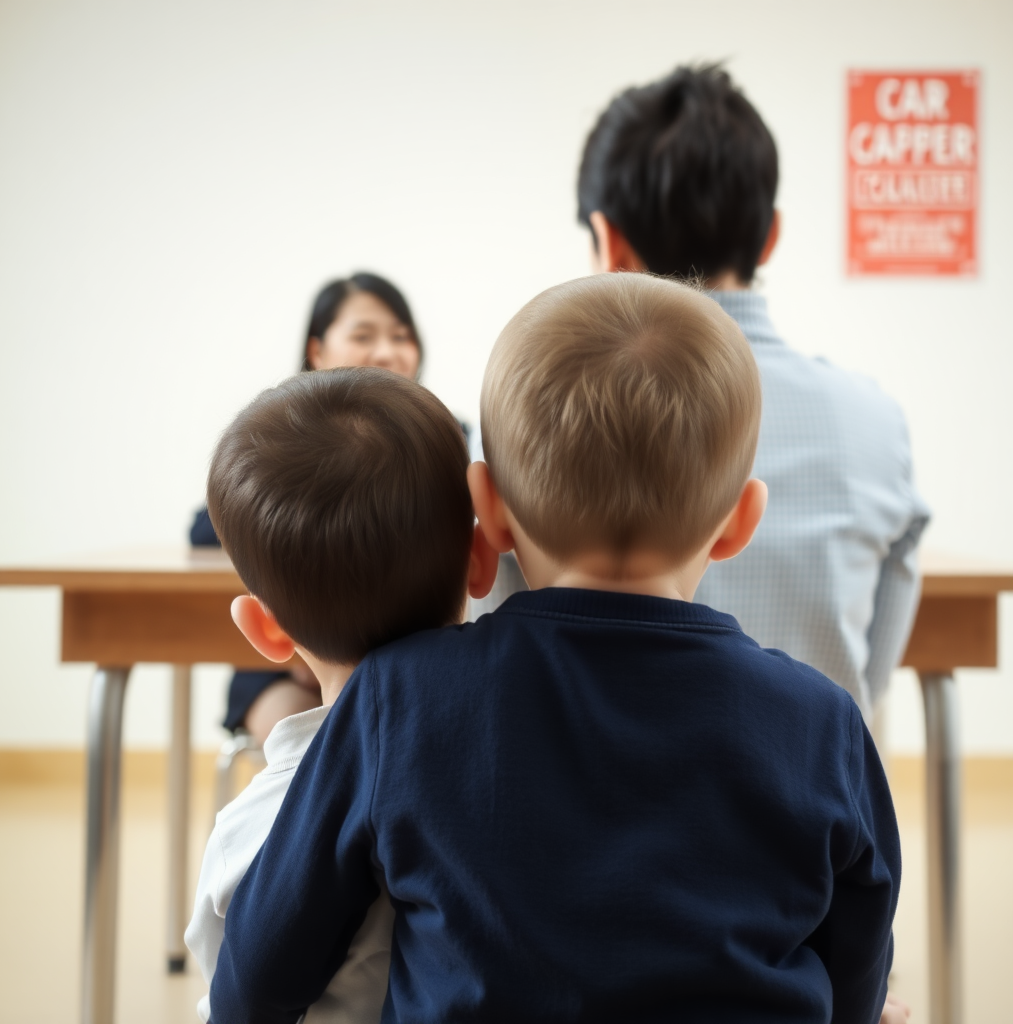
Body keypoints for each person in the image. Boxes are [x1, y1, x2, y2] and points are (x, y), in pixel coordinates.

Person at [209, 274, 900, 1024]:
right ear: (739, 523)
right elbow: (858, 970)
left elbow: (257, 976)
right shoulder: (824, 723)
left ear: (491, 514)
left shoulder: (397, 697)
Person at [577, 65, 930, 722]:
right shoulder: (874, 423)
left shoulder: (536, 423)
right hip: (816, 811)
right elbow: (867, 686)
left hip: (588, 814)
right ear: (770, 234)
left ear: (609, 242)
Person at [185, 367, 497, 1023]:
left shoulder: (251, 831)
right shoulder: (517, 771)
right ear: (480, 560)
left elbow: (227, 995)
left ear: (264, 629)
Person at [189, 272, 425, 743]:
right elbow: (206, 526)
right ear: (316, 352)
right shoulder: (284, 438)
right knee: (312, 748)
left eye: (401, 336)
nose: (386, 351)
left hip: (407, 649)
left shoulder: (441, 438)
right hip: (289, 653)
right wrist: (306, 637)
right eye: (363, 335)